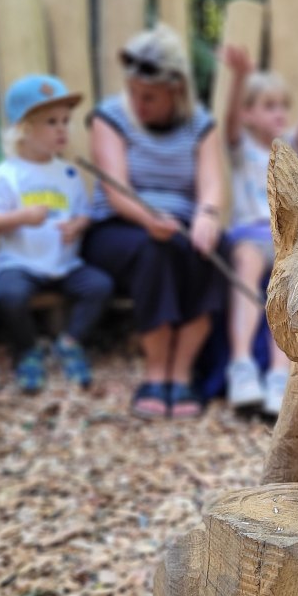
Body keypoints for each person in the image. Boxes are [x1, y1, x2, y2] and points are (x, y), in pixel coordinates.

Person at [82, 25, 228, 420]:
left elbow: (212, 184)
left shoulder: (200, 123)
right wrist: (148, 217)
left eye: (149, 96)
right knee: (154, 250)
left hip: (178, 228)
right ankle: (155, 372)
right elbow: (117, 191)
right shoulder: (109, 117)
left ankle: (181, 373)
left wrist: (207, 216)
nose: (138, 103)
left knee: (217, 247)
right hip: (118, 226)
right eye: (133, 93)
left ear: (176, 90)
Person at [220, 45, 298, 415]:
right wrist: (240, 78)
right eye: (268, 106)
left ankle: (280, 375)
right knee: (246, 263)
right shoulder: (240, 148)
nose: (279, 113)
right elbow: (228, 121)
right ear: (247, 113)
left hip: (284, 242)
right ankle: (241, 365)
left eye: (282, 106)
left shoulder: (287, 149)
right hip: (248, 234)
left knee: (290, 280)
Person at [0, 74, 113, 393]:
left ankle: (70, 342)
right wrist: (22, 216)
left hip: (64, 264)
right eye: (51, 122)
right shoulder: (7, 174)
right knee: (8, 295)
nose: (62, 129)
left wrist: (78, 225)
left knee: (100, 286)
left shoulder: (67, 173)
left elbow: (84, 211)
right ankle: (27, 350)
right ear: (24, 129)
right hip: (21, 263)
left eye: (66, 121)